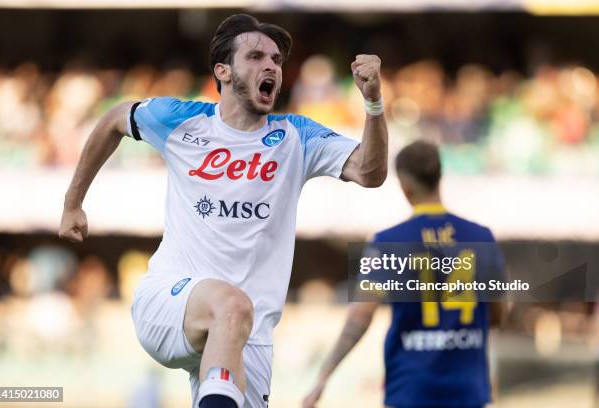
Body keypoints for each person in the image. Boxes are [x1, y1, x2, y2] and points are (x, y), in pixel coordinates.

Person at [59, 14, 387, 408]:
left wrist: (373, 103)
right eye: (255, 56)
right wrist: (73, 202)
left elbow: (370, 173)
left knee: (234, 318)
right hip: (171, 299)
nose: (270, 66)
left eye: (276, 60)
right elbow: (114, 118)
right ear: (223, 71)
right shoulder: (182, 121)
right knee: (231, 304)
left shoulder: (298, 136)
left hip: (249, 334)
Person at [303, 140, 504, 408]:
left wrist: (323, 376)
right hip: (468, 389)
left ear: (405, 187)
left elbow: (361, 316)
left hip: (411, 389)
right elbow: (498, 314)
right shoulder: (481, 237)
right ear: (439, 177)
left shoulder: (386, 243)